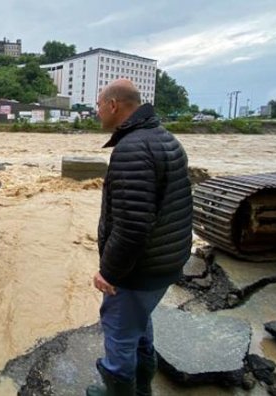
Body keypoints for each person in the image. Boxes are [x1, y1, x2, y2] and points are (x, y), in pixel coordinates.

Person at [87, 80, 193, 396]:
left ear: (114, 105)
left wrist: (109, 272)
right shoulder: (164, 138)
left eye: (98, 105)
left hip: (139, 269)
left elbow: (132, 226)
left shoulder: (132, 148)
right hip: (165, 262)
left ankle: (119, 389)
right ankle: (142, 387)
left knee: (119, 333)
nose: (97, 111)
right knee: (140, 326)